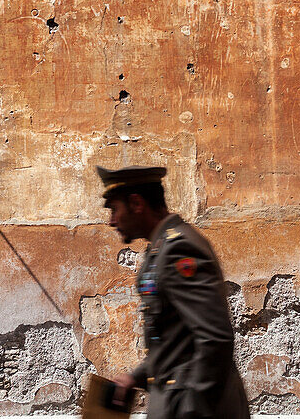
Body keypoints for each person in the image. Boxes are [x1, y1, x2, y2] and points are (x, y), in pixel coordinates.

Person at [97, 164, 250, 419]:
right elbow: (175, 342)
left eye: (115, 209)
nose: (111, 220)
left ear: (136, 203)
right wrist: (134, 377)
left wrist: (190, 408)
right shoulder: (159, 249)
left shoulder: (180, 249)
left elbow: (215, 339)